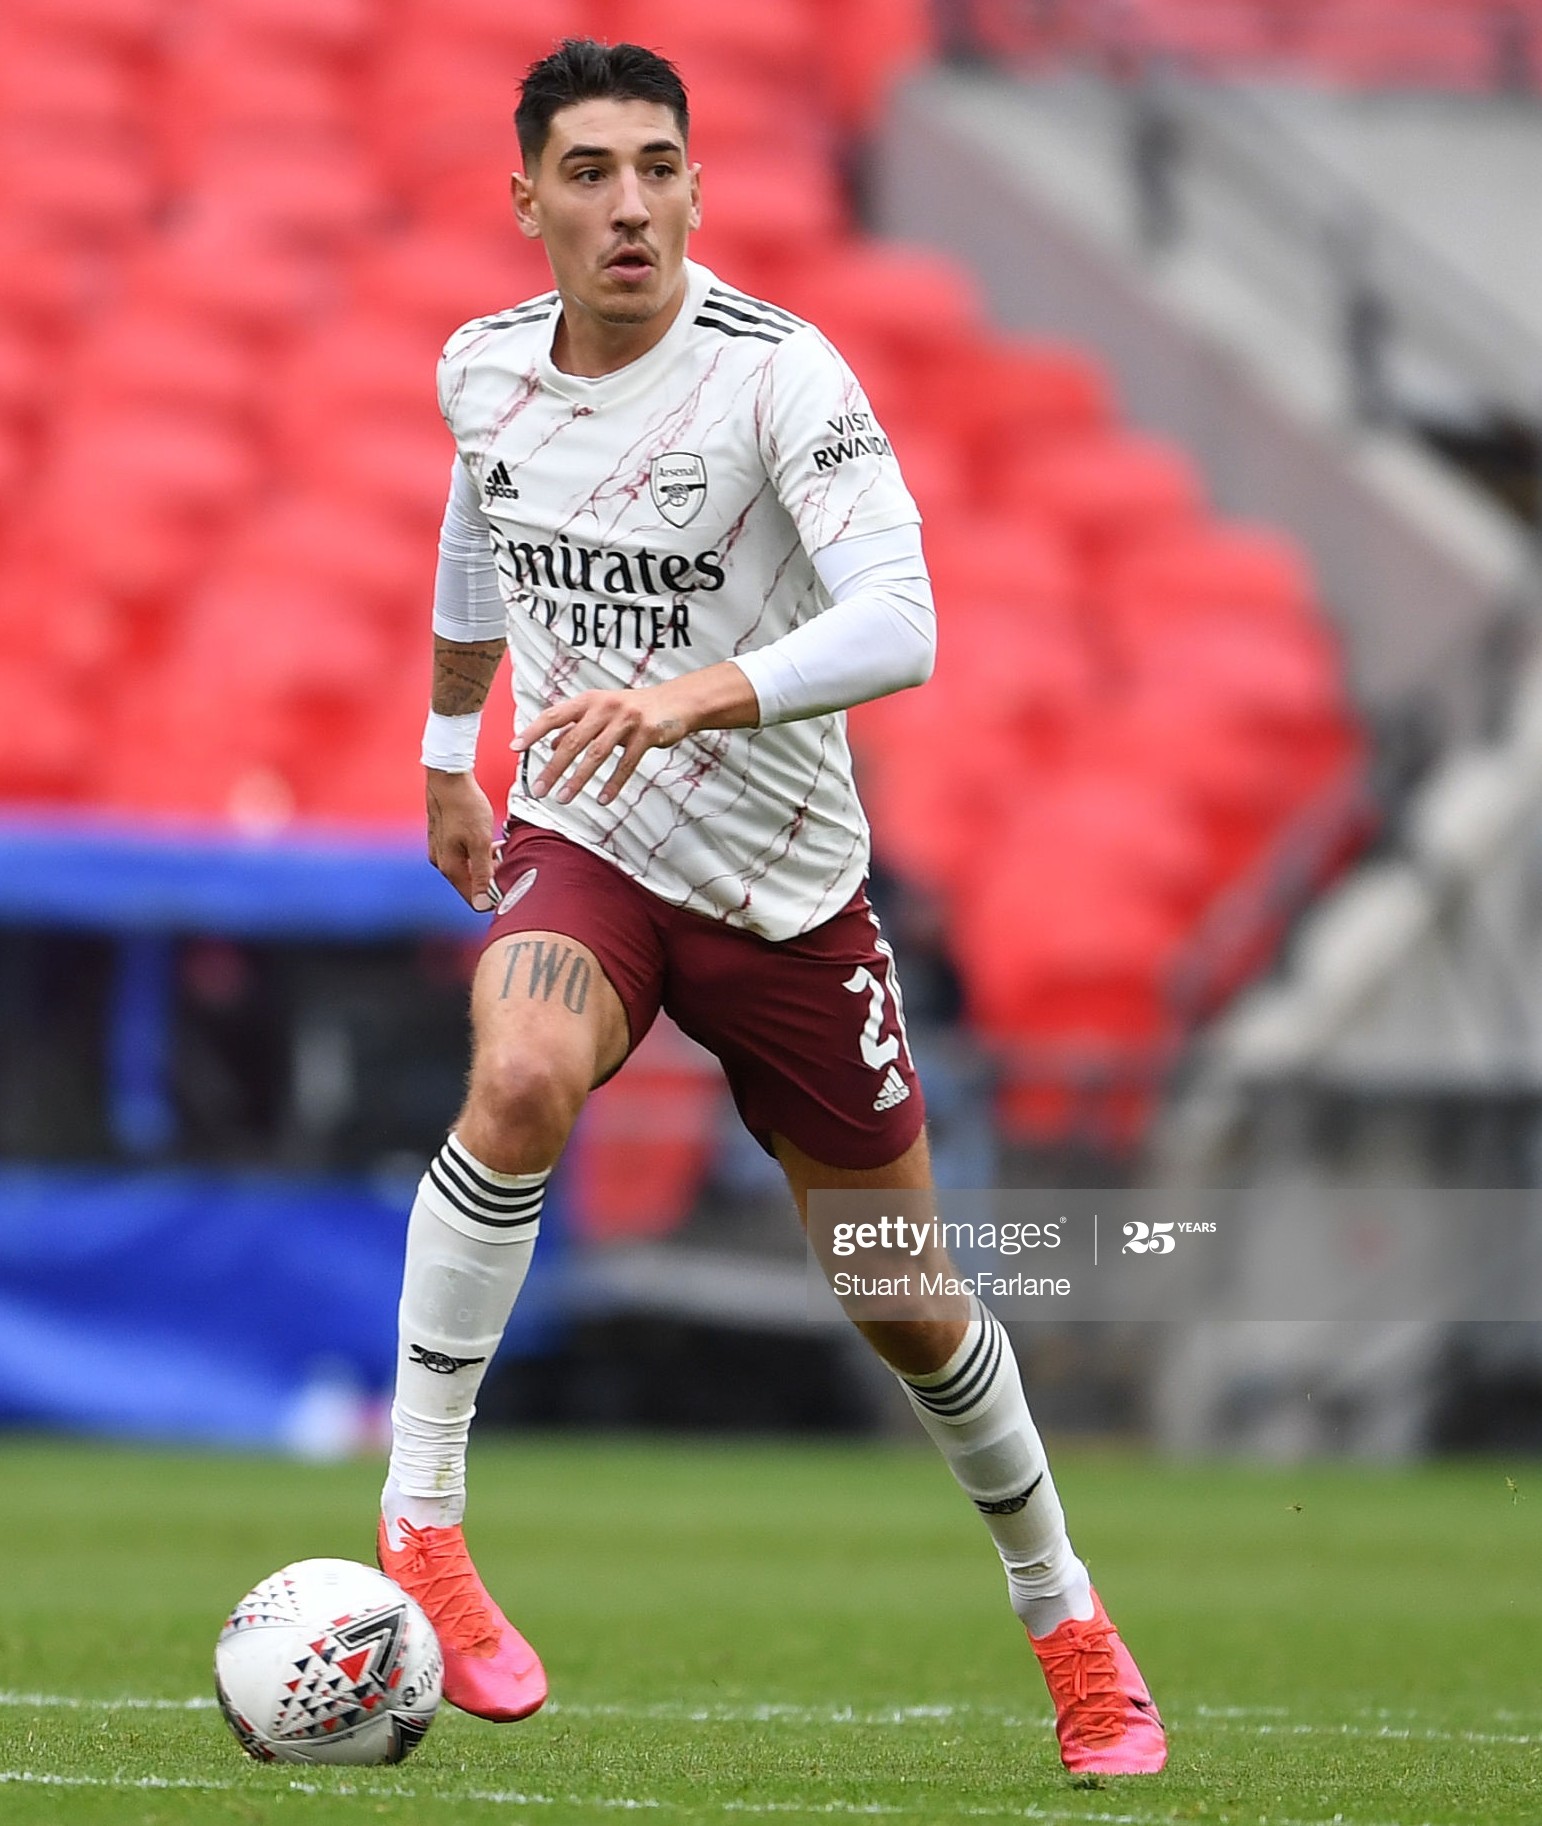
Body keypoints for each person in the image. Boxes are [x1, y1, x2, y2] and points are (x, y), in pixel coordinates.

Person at [376, 36, 1166, 1778]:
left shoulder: (778, 379)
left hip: (785, 890)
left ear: (699, 189)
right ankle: (419, 1519)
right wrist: (448, 746)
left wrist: (686, 694)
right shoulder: (483, 370)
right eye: (588, 170)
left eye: (659, 165)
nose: (631, 202)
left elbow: (904, 621)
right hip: (584, 838)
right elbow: (478, 528)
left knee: (900, 1290)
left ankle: (1068, 1618)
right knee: (514, 1081)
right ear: (527, 202)